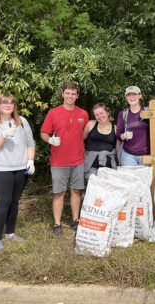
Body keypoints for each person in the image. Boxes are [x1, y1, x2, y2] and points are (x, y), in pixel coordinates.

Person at [0, 94, 36, 251]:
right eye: (5, 103)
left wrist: (30, 161)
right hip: (2, 169)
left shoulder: (22, 122)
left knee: (14, 202)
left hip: (21, 168)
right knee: (3, 203)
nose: (8, 105)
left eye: (11, 103)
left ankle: (10, 233)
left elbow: (31, 143)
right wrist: (3, 135)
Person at [40, 82, 89, 237]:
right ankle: (57, 224)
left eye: (73, 94)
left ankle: (75, 220)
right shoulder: (53, 113)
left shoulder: (83, 114)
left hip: (78, 160)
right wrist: (50, 140)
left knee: (76, 190)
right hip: (59, 161)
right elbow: (44, 133)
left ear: (77, 96)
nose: (70, 96)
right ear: (62, 94)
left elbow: (85, 134)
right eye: (67, 93)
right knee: (59, 193)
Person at [116, 86, 150, 166]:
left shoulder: (148, 111)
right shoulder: (123, 114)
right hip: (128, 156)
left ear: (140, 95)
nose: (132, 97)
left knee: (145, 178)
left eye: (134, 94)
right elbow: (118, 135)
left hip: (147, 155)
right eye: (129, 95)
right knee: (130, 179)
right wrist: (124, 135)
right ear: (126, 97)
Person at [83, 103, 117, 179]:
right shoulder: (90, 124)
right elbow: (80, 140)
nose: (100, 116)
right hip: (91, 166)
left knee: (107, 189)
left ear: (108, 113)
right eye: (96, 115)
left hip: (108, 167)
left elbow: (117, 148)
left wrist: (119, 164)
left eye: (101, 113)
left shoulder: (116, 128)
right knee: (93, 189)